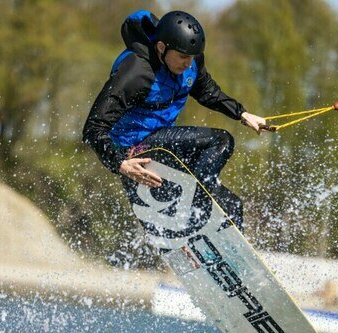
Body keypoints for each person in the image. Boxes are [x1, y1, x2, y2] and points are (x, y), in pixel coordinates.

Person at [83, 10, 268, 231]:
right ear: (161, 48)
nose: (188, 63)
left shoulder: (191, 60)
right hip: (133, 152)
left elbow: (205, 90)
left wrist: (242, 113)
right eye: (182, 57)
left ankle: (206, 223)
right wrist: (121, 164)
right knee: (221, 141)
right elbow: (93, 128)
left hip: (162, 145)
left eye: (192, 57)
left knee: (231, 205)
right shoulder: (136, 73)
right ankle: (199, 211)